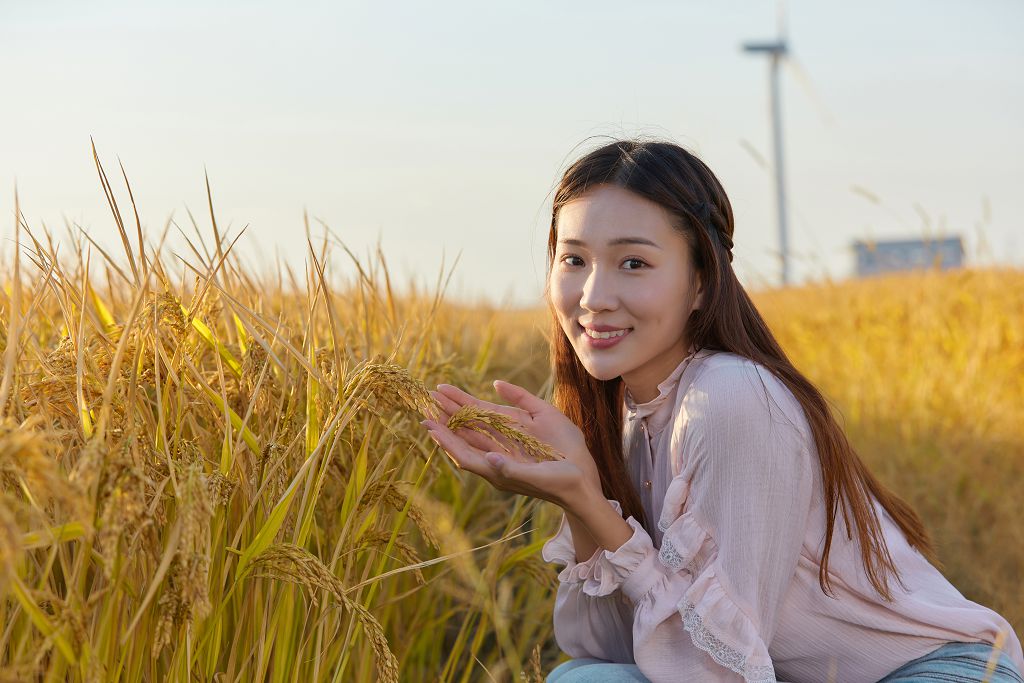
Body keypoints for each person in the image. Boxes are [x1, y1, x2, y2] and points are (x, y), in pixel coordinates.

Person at [418, 138, 1024, 683]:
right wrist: (580, 493)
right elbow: (605, 650)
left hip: (941, 673)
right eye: (574, 259)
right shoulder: (625, 415)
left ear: (703, 280)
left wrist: (585, 500)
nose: (594, 297)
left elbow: (711, 675)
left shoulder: (730, 398)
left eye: (634, 262)